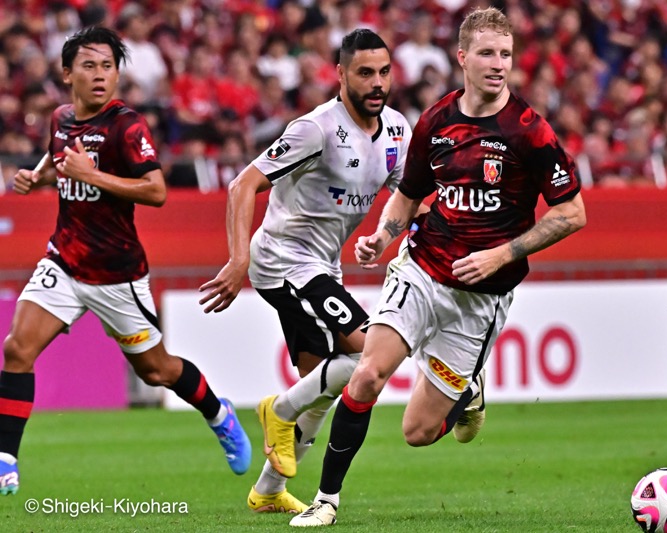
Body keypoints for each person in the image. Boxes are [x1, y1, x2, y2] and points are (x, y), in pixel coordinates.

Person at [290, 7, 587, 527]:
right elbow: (408, 195)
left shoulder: (529, 132)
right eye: (488, 54)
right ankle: (326, 501)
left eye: (506, 54)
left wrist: (504, 253)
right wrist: (382, 236)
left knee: (418, 431)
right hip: (422, 271)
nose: (499, 64)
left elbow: (572, 213)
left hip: (481, 299)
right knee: (367, 375)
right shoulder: (436, 121)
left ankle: (467, 391)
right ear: (463, 58)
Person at [0, 27, 251, 496]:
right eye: (90, 66)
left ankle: (219, 413)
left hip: (117, 275)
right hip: (63, 262)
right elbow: (58, 154)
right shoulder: (59, 117)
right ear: (67, 73)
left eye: (108, 67)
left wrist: (93, 175)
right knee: (17, 349)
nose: (100, 75)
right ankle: (5, 459)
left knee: (157, 370)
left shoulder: (126, 126)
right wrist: (37, 177)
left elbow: (156, 190)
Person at [199, 29, 412, 514]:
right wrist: (239, 260)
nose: (376, 83)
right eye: (364, 73)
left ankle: (269, 490)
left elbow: (408, 196)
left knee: (321, 387)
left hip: (323, 267)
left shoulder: (397, 130)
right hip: (283, 260)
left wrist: (384, 235)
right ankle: (279, 410)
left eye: (383, 72)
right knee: (367, 353)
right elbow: (241, 185)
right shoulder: (315, 129)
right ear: (339, 75)